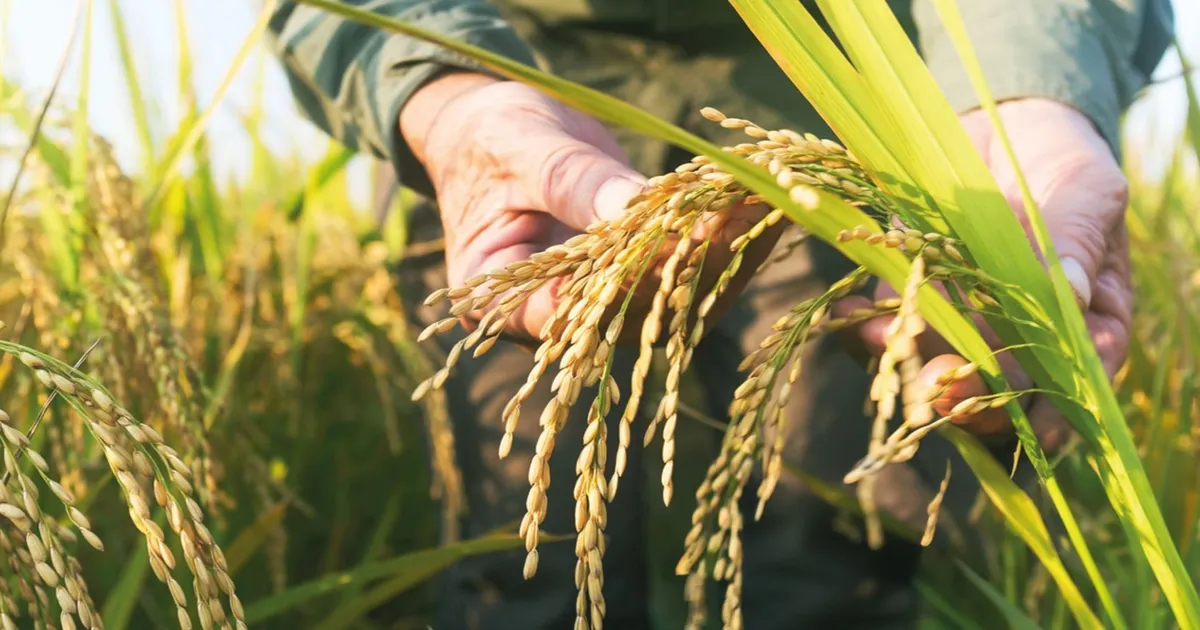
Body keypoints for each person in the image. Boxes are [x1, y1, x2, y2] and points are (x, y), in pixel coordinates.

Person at [265, 0, 1172, 627]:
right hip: (509, 82)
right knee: (520, 557)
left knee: (829, 551)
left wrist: (1025, 99)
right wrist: (444, 90)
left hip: (825, 96)